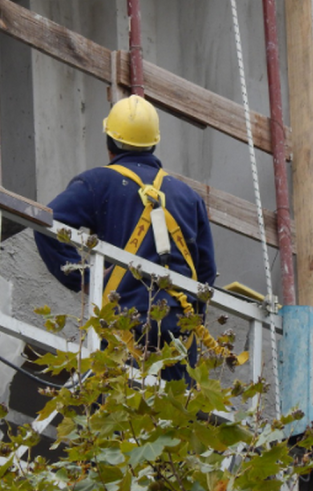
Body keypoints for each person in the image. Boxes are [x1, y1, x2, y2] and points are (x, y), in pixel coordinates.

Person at [34, 95, 217, 381]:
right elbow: (205, 271)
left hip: (126, 324)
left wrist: (83, 276)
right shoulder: (188, 197)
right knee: (177, 408)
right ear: (153, 143)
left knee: (112, 403)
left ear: (110, 142)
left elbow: (46, 222)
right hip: (180, 330)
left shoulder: (98, 183)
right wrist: (194, 317)